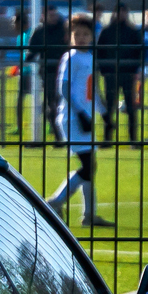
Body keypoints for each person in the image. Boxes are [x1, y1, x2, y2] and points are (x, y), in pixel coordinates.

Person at [43, 14, 111, 227]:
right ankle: (55, 202)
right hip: (73, 117)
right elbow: (63, 88)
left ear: (92, 36)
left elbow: (93, 90)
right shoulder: (70, 57)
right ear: (69, 36)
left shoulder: (90, 57)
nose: (81, 38)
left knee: (91, 166)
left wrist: (104, 113)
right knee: (88, 166)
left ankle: (89, 214)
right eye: (76, 34)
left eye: (85, 34)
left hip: (87, 117)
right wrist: (80, 113)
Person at [98, 3, 145, 142]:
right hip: (111, 74)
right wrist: (104, 70)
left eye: (124, 11)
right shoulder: (107, 31)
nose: (121, 14)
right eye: (119, 11)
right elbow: (100, 51)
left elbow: (139, 51)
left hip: (128, 74)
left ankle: (133, 139)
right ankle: (107, 139)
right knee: (109, 107)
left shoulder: (133, 31)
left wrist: (136, 69)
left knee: (131, 107)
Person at [24, 9, 69, 141]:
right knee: (52, 105)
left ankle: (65, 134)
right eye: (50, 15)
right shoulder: (40, 31)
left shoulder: (64, 29)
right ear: (44, 16)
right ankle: (58, 136)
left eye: (54, 14)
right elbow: (32, 52)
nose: (53, 17)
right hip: (48, 73)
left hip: (66, 71)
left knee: (65, 103)